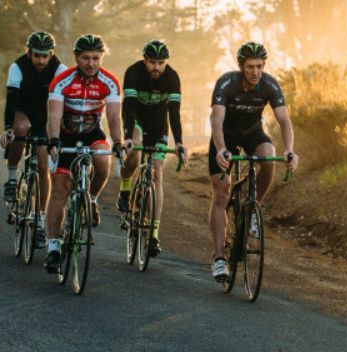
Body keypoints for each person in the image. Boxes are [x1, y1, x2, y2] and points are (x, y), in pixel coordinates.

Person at [207, 42, 299, 281]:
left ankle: (251, 210)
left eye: (259, 66)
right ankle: (218, 259)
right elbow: (216, 119)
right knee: (221, 193)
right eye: (250, 67)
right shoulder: (227, 82)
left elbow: (284, 121)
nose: (255, 72)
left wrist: (289, 150)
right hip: (225, 135)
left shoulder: (269, 84)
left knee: (269, 157)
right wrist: (220, 150)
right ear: (241, 67)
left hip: (251, 133)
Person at [43, 34, 124, 273]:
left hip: (92, 133)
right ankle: (53, 247)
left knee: (102, 159)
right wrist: (54, 140)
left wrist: (118, 141)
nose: (91, 63)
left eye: (96, 58)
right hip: (65, 134)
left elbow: (112, 116)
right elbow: (54, 116)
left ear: (101, 58)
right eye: (86, 58)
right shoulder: (62, 81)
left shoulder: (109, 82)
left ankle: (92, 198)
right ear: (77, 58)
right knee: (59, 188)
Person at [117, 39, 187, 257]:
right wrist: (127, 137)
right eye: (152, 62)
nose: (156, 67)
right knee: (135, 153)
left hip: (158, 126)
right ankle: (126, 187)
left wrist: (179, 143)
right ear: (144, 60)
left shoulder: (172, 77)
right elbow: (128, 107)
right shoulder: (133, 73)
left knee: (157, 174)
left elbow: (174, 112)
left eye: (160, 63)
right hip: (136, 120)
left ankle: (154, 235)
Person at [0, 31, 65, 232]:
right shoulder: (17, 67)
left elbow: (63, 104)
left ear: (51, 54)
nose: (41, 60)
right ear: (29, 52)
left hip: (45, 117)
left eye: (45, 56)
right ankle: (12, 178)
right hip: (23, 111)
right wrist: (8, 129)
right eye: (37, 55)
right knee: (20, 129)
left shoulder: (59, 68)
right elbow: (11, 100)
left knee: (43, 164)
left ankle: (39, 218)